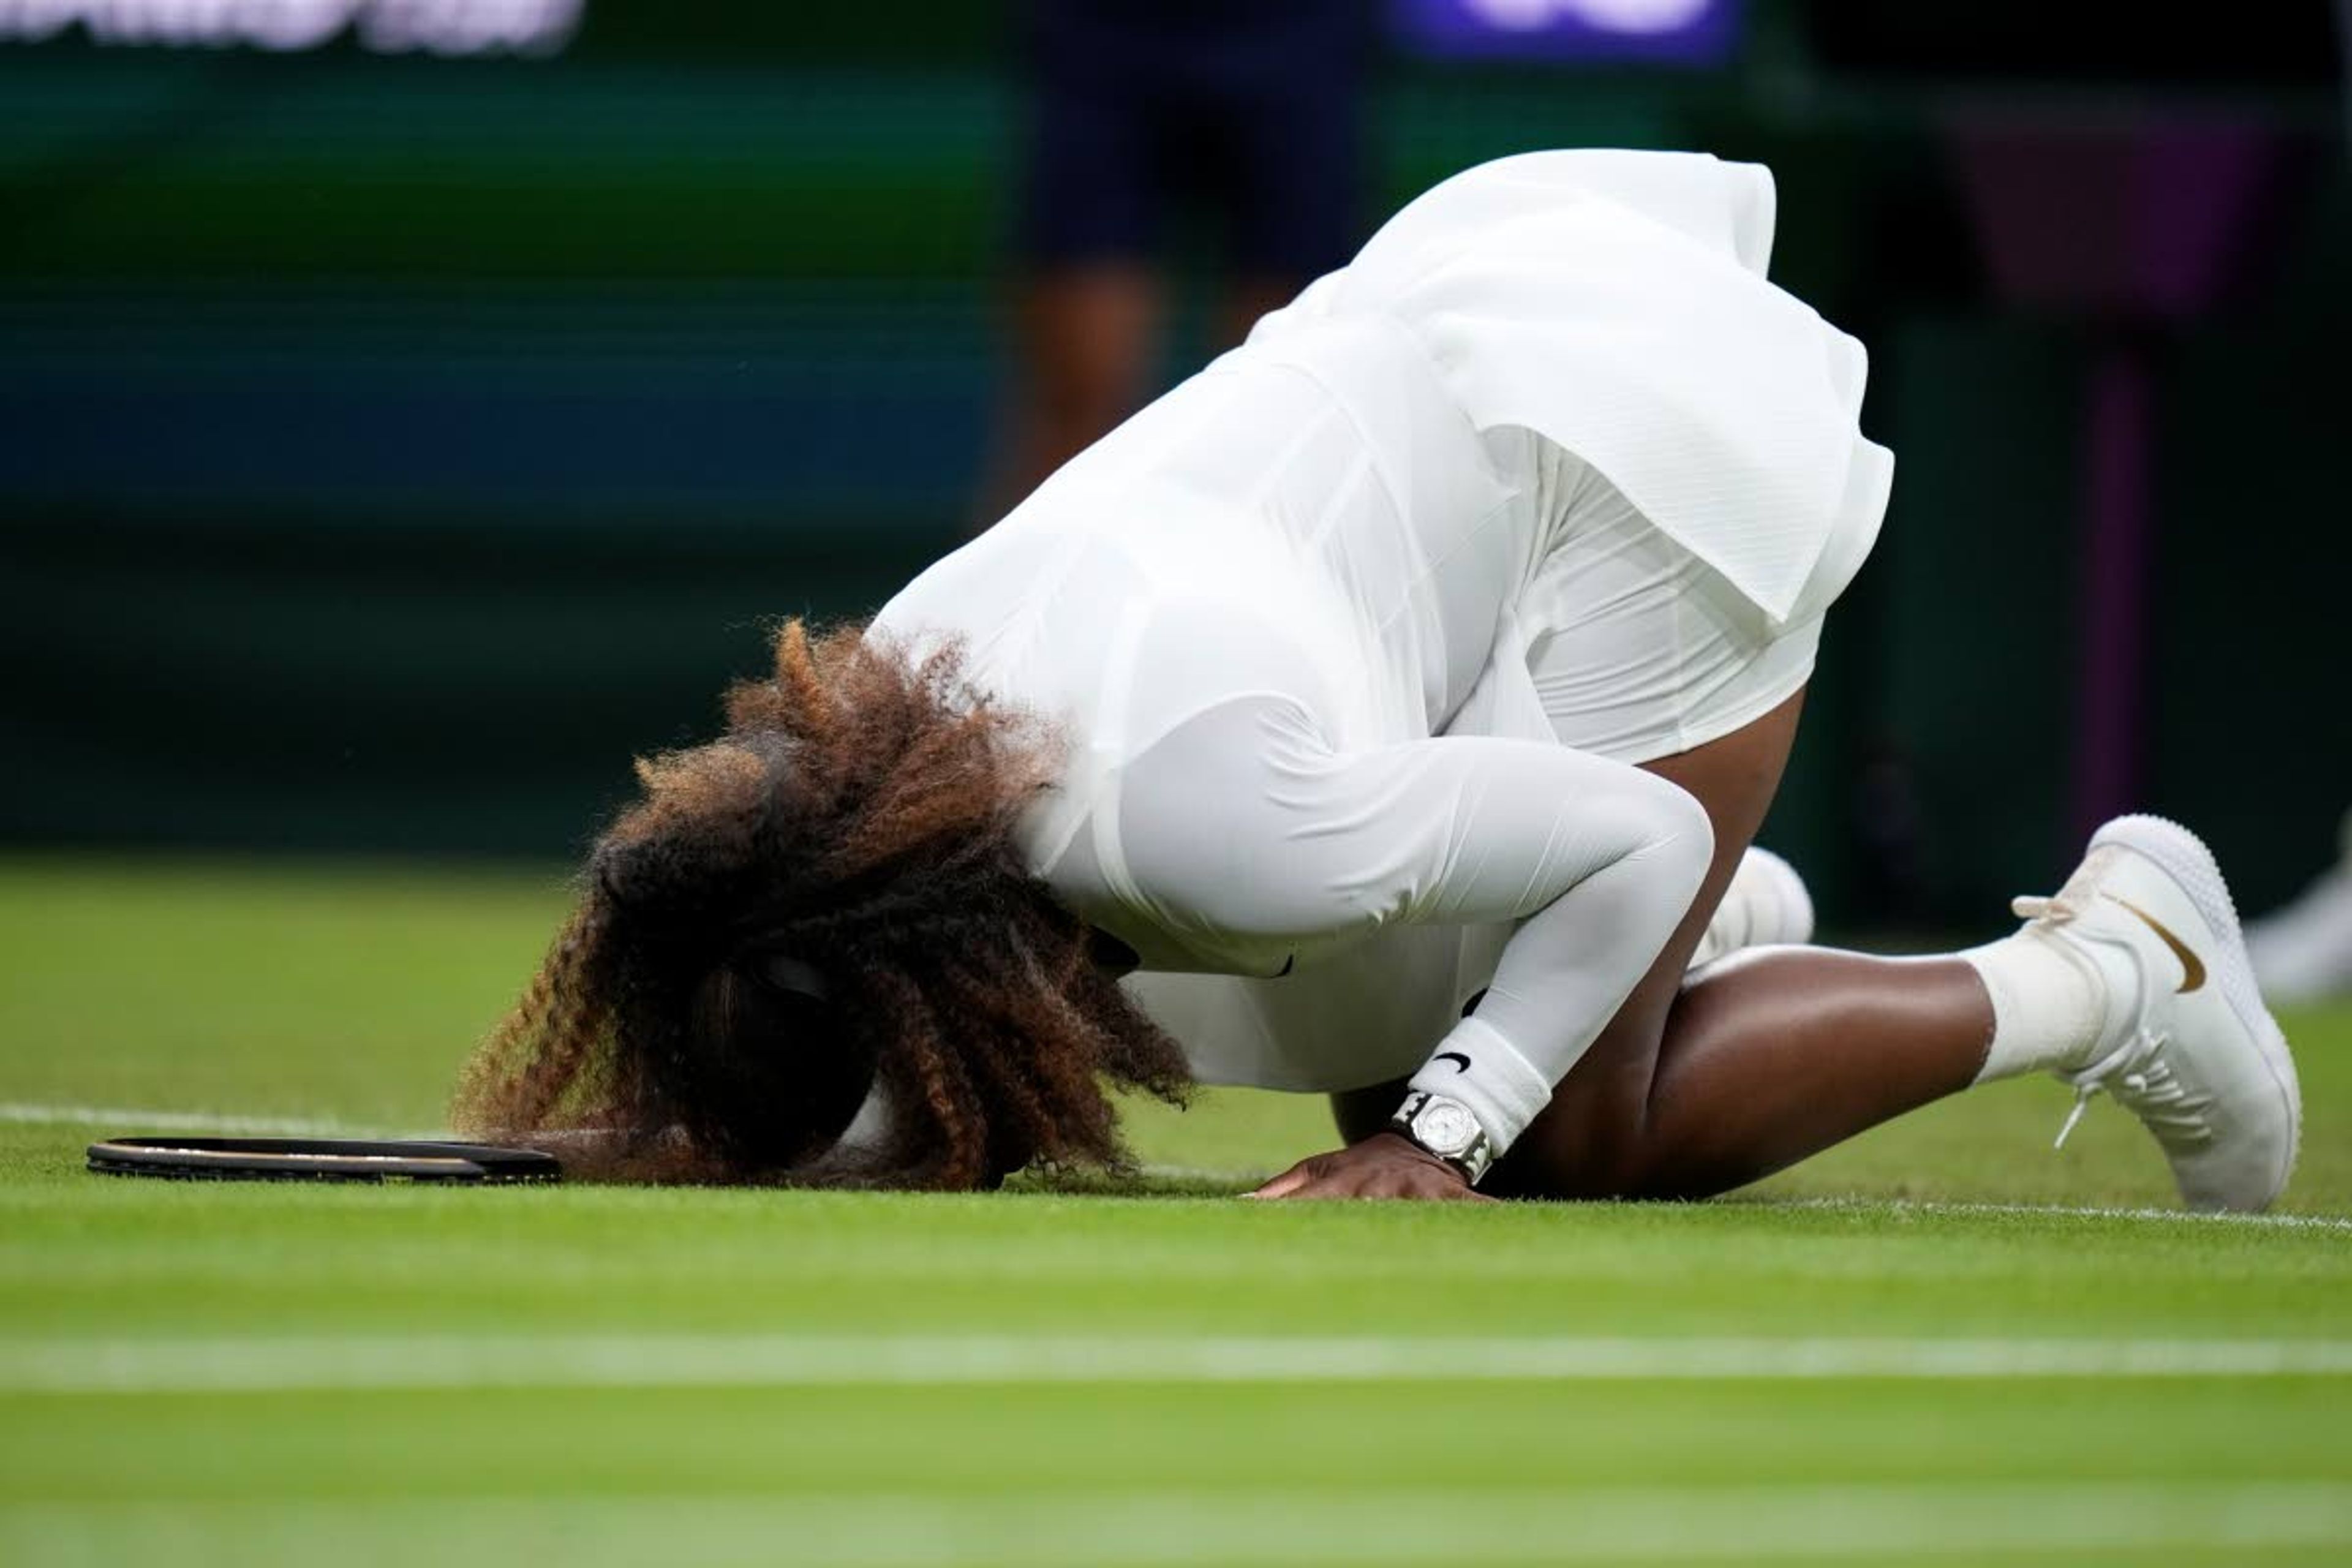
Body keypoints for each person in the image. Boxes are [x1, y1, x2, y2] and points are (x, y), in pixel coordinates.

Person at [454, 151, 2301, 1212]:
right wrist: (723, 1118)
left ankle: (2120, 965)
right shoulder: (903, 720)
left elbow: (1634, 836)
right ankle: (1730, 938)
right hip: (1433, 428)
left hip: (1626, 450)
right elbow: (906, 1023)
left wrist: (1446, 1134)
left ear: (915, 939)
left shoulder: (1211, 829)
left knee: (1569, 1136)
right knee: (1453, 1005)